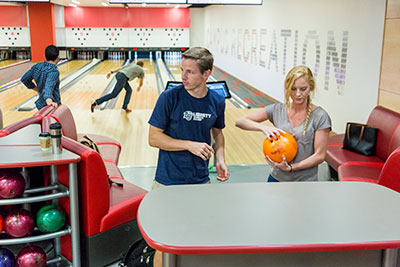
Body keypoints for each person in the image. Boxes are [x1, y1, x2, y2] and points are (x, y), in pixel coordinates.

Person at [148, 47, 230, 189]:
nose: (183, 77)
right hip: (167, 181)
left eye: (190, 72)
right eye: (182, 70)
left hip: (201, 179)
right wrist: (189, 145)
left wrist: (220, 158)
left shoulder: (217, 101)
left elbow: (218, 133)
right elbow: (153, 138)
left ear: (206, 74)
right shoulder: (169, 98)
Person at [235, 65, 331, 182]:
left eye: (303, 89)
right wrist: (263, 127)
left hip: (305, 182)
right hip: (276, 178)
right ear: (287, 88)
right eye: (293, 89)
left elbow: (319, 156)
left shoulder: (320, 116)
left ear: (310, 87)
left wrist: (291, 168)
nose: (298, 94)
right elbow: (240, 122)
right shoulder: (276, 110)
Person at [21, 45, 61, 110]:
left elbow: (24, 79)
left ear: (45, 56)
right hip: (51, 106)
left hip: (41, 104)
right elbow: (48, 87)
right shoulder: (53, 72)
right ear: (58, 57)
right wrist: (49, 102)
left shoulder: (37, 66)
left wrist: (37, 89)